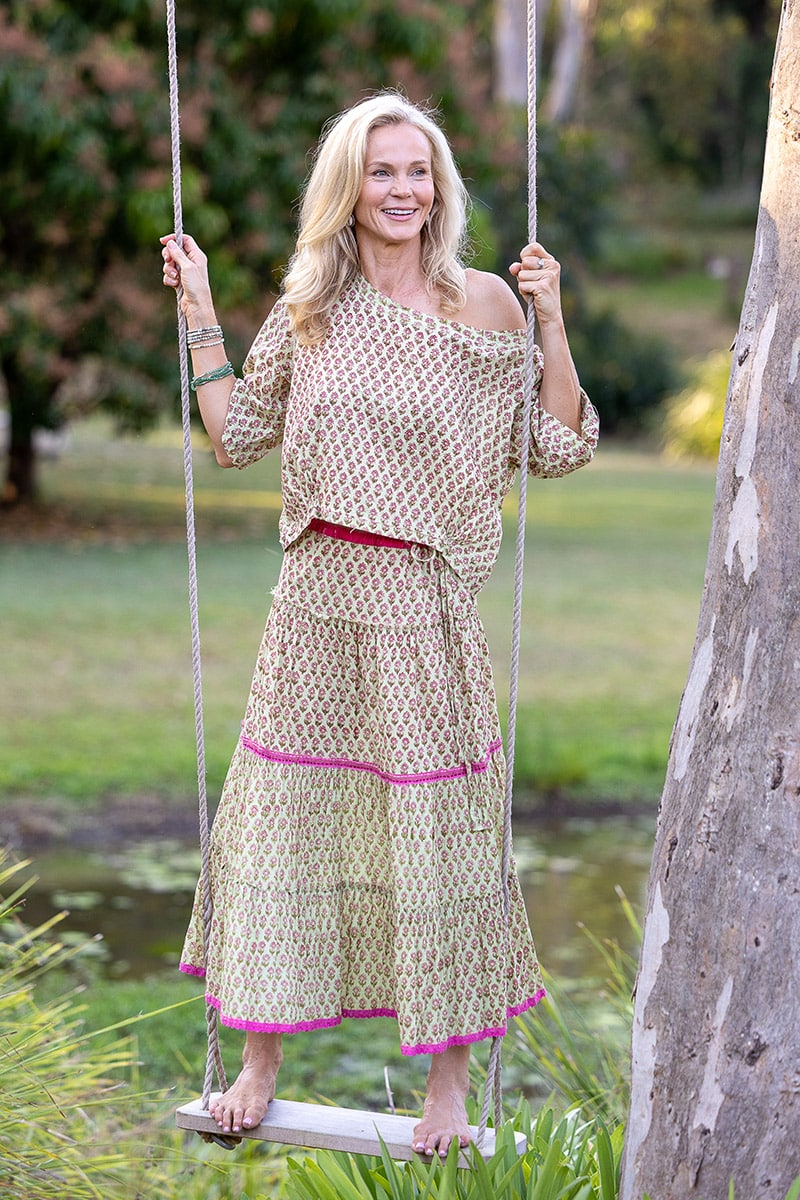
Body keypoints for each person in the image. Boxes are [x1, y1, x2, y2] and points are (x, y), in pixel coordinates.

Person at [161, 91, 598, 1159]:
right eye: (382, 171)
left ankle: (444, 1090)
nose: (402, 190)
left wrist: (551, 322)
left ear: (436, 187)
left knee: (440, 844)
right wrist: (202, 308)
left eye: (418, 171)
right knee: (282, 829)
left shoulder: (484, 304)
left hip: (424, 606)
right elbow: (238, 436)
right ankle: (257, 1068)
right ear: (348, 189)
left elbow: (559, 444)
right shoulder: (311, 306)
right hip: (312, 603)